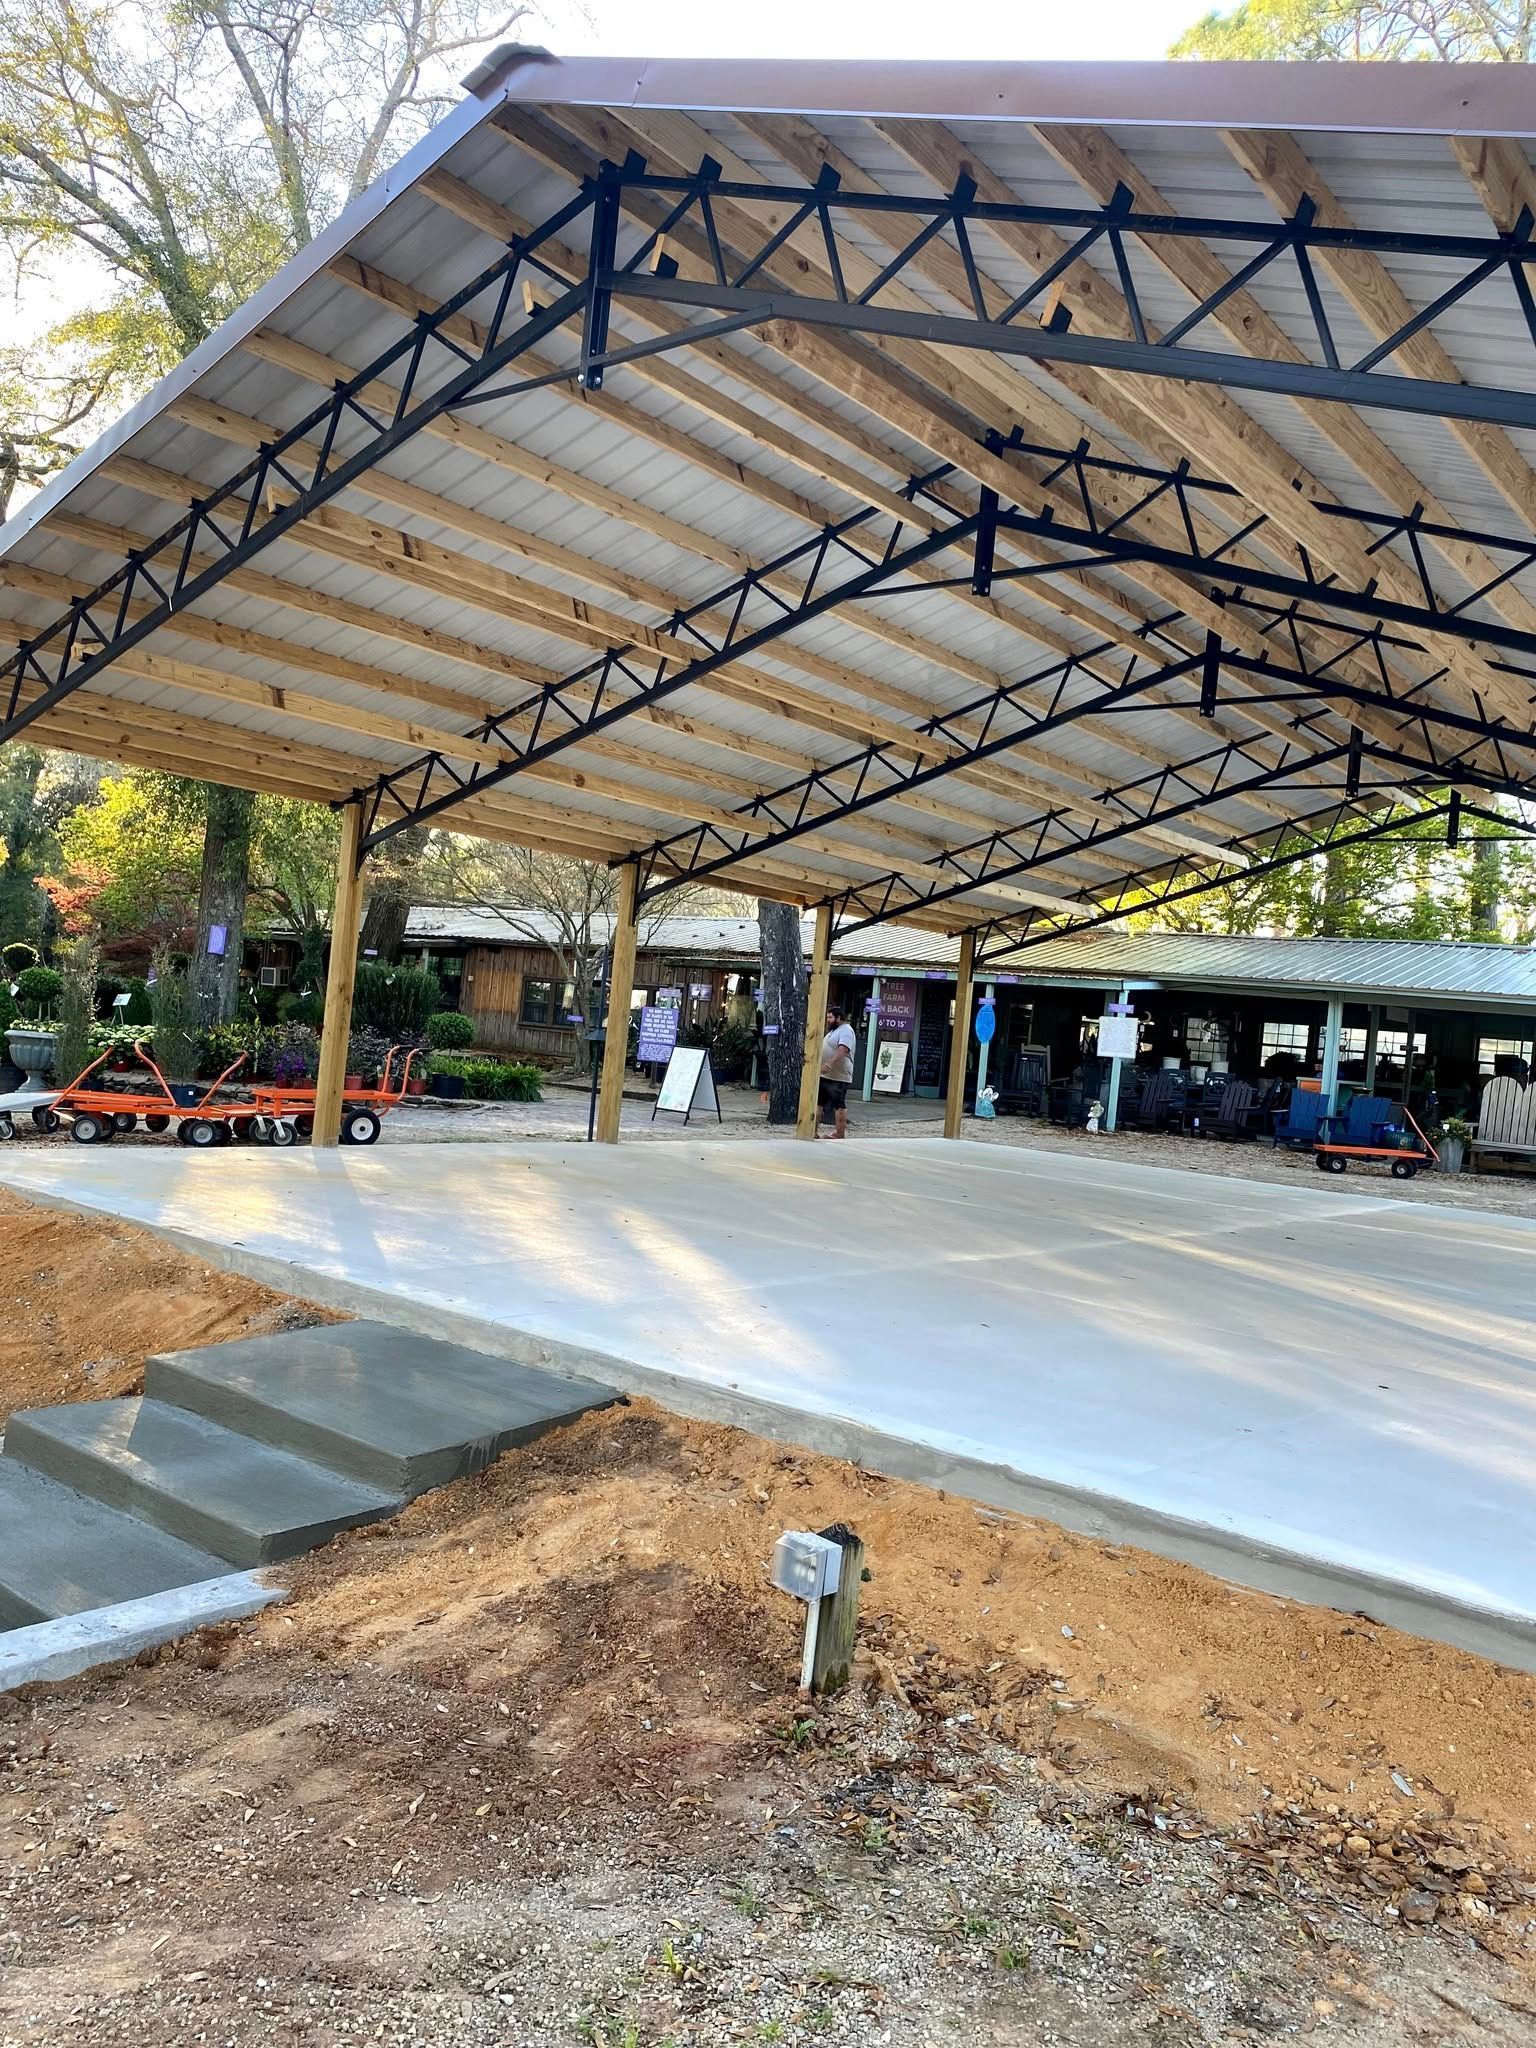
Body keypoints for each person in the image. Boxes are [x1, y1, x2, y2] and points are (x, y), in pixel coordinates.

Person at [818, 1005, 857, 1139]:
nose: (828, 1020)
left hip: (839, 1075)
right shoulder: (833, 1031)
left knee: (838, 1103)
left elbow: (843, 1049)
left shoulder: (846, 1030)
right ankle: (812, 1130)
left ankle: (839, 1133)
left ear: (838, 1018)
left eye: (830, 1017)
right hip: (825, 1074)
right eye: (827, 1017)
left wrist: (829, 1063)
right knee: (818, 1102)